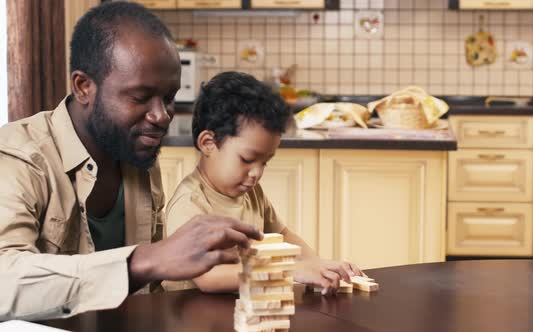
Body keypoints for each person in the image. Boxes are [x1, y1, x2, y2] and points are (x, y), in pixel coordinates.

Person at [0, 2, 262, 321]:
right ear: (84, 87)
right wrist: (142, 260)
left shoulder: (135, 154)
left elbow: (150, 291)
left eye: (168, 98)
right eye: (140, 97)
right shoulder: (19, 157)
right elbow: (4, 279)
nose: (161, 116)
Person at [165, 71, 364, 294]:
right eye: (247, 160)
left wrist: (316, 264)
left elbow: (284, 236)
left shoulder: (251, 192)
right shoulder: (189, 203)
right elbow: (209, 277)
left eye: (265, 162)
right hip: (189, 314)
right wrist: (289, 270)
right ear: (208, 143)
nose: (256, 173)